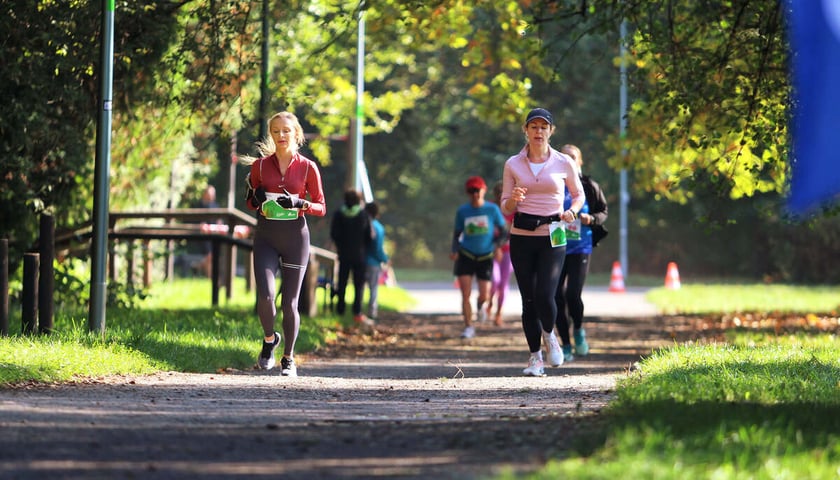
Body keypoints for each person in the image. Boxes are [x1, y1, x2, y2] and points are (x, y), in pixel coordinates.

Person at [500, 108, 584, 376]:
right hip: (522, 234)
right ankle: (535, 357)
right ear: (525, 130)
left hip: (556, 233)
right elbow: (505, 207)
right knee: (529, 300)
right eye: (533, 127)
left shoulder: (563, 162)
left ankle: (550, 337)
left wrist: (573, 210)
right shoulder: (513, 163)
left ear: (551, 131)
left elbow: (578, 194)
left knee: (546, 294)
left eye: (543, 127)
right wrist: (514, 199)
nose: (538, 132)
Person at [245, 111, 326, 377]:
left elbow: (321, 207)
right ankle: (270, 340)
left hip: (295, 237)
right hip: (266, 237)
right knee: (266, 296)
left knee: (289, 303)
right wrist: (255, 198)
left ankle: (288, 358)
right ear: (271, 134)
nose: (281, 135)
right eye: (276, 131)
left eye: (286, 131)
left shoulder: (307, 167)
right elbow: (250, 202)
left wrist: (299, 203)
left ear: (296, 134)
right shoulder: (259, 167)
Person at [554, 144, 609, 362]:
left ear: (579, 162)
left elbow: (603, 211)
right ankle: (565, 345)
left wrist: (591, 219)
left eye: (572, 157)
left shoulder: (589, 186)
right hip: (557, 245)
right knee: (556, 296)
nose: (568, 161)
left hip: (580, 247)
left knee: (572, 294)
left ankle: (577, 328)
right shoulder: (553, 183)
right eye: (564, 157)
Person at [450, 176, 508, 339]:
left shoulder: (491, 209)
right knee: (465, 293)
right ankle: (468, 326)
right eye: (471, 191)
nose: (475, 194)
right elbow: (457, 234)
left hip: (486, 256)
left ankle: (481, 304)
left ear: (483, 190)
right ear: (467, 193)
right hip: (466, 255)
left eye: (477, 190)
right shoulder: (463, 211)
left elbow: (504, 232)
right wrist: (454, 250)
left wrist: (497, 247)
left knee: (485, 294)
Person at [330, 188, 374, 327]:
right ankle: (357, 311)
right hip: (359, 255)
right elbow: (370, 236)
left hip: (343, 254)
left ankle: (340, 309)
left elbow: (334, 234)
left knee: (342, 282)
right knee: (358, 285)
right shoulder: (363, 215)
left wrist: (340, 245)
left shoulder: (339, 214)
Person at [487, 181, 514, 327]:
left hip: (509, 251)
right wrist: (495, 247)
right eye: (498, 194)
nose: (500, 197)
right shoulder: (490, 208)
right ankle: (490, 301)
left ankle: (498, 313)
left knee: (503, 283)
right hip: (492, 250)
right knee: (494, 281)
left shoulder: (514, 209)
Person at [364, 201, 389, 320]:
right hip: (373, 263)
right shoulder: (379, 227)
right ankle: (372, 313)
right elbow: (378, 248)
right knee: (373, 289)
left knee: (358, 288)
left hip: (360, 261)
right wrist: (385, 259)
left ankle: (357, 312)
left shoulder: (361, 224)